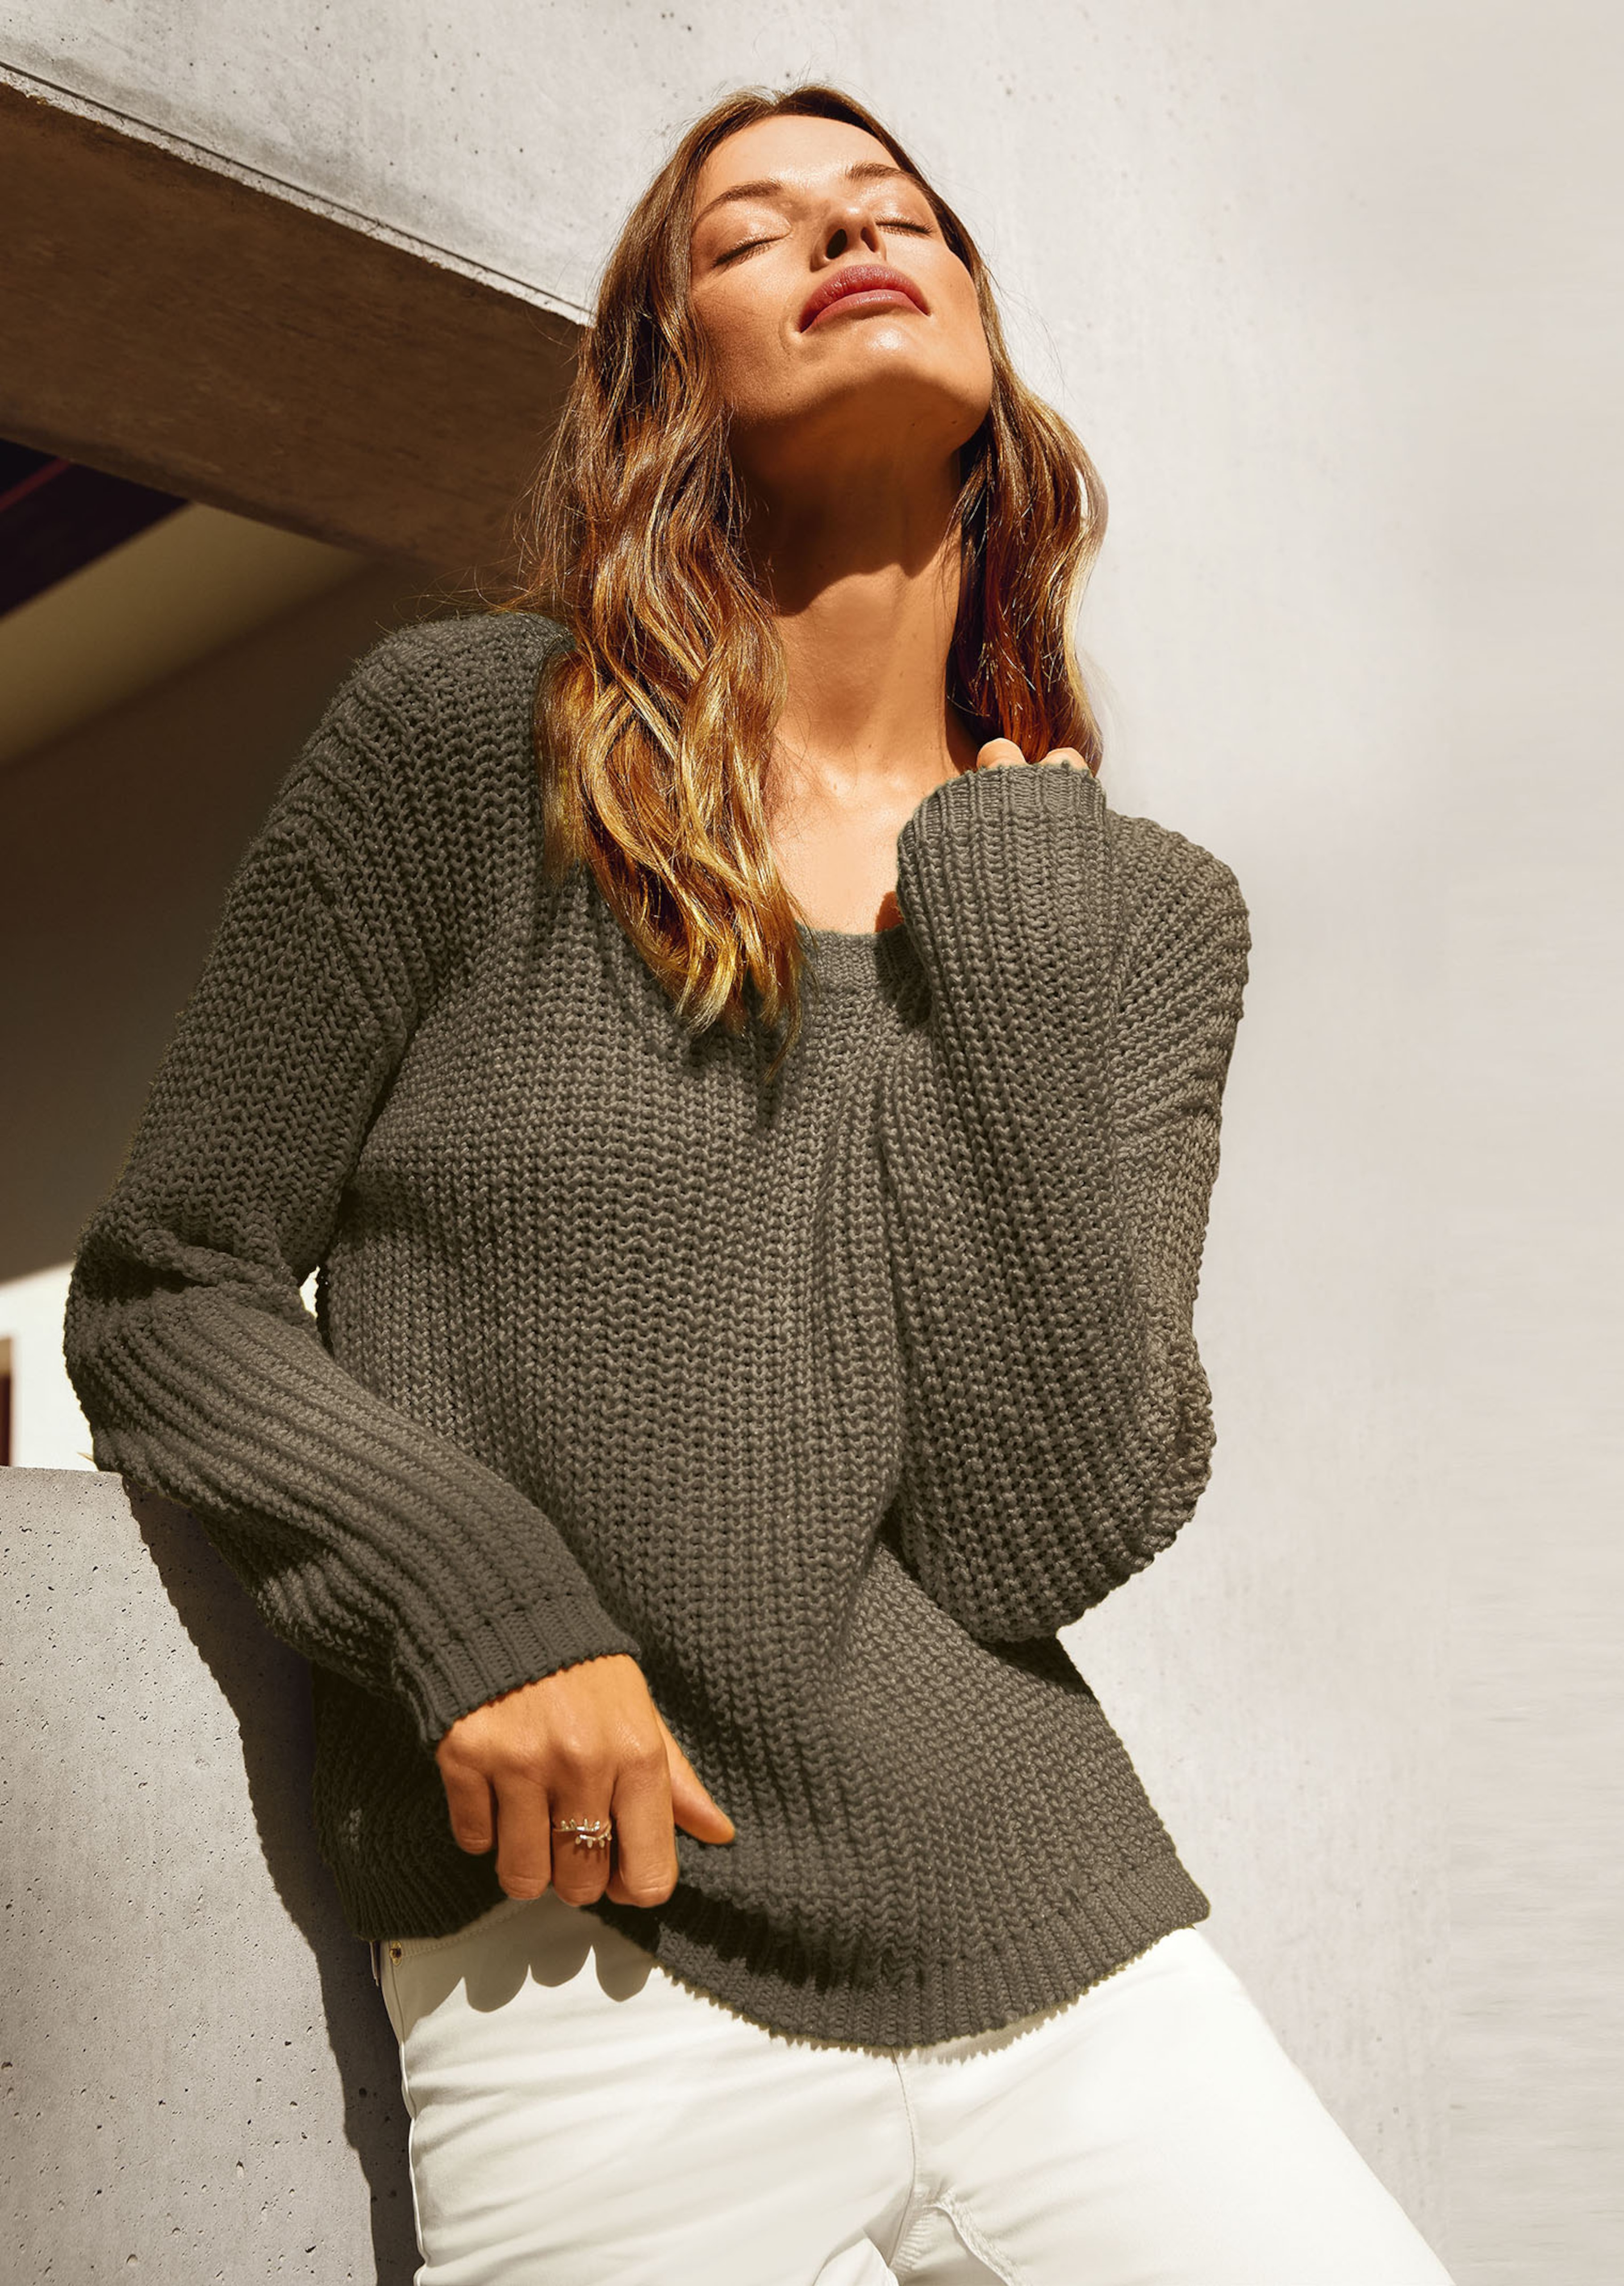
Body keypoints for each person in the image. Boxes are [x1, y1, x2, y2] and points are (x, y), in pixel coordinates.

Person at [62, 80, 1458, 2286]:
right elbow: (171, 1283)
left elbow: (1033, 1522)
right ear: (663, 370)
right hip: (582, 1964)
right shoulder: (470, 747)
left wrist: (1004, 920)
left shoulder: (1134, 912)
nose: (843, 234)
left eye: (895, 209)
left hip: (1056, 1934)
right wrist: (470, 1598)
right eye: (753, 233)